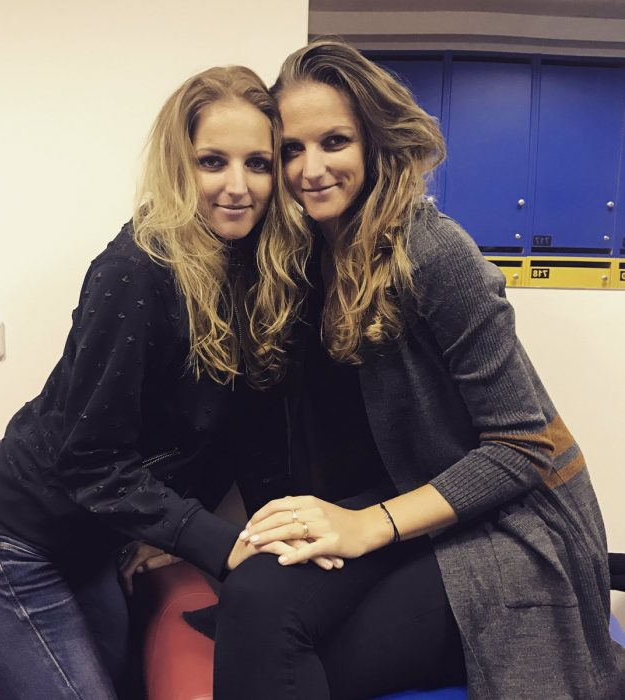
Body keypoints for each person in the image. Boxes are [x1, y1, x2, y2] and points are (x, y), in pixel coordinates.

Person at [212, 40, 625, 699]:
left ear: (375, 143)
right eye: (291, 149)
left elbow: (523, 448)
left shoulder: (434, 252)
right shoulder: (308, 251)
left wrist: (366, 526)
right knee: (254, 597)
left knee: (302, 653)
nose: (310, 169)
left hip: (511, 528)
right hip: (407, 495)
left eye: (335, 142)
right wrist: (184, 524)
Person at [0, 64, 326, 700]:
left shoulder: (258, 270)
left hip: (88, 542)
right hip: (3, 535)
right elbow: (89, 460)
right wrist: (212, 541)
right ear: (178, 166)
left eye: (258, 163)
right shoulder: (136, 269)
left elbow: (243, 435)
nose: (237, 186)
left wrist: (263, 534)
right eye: (212, 162)